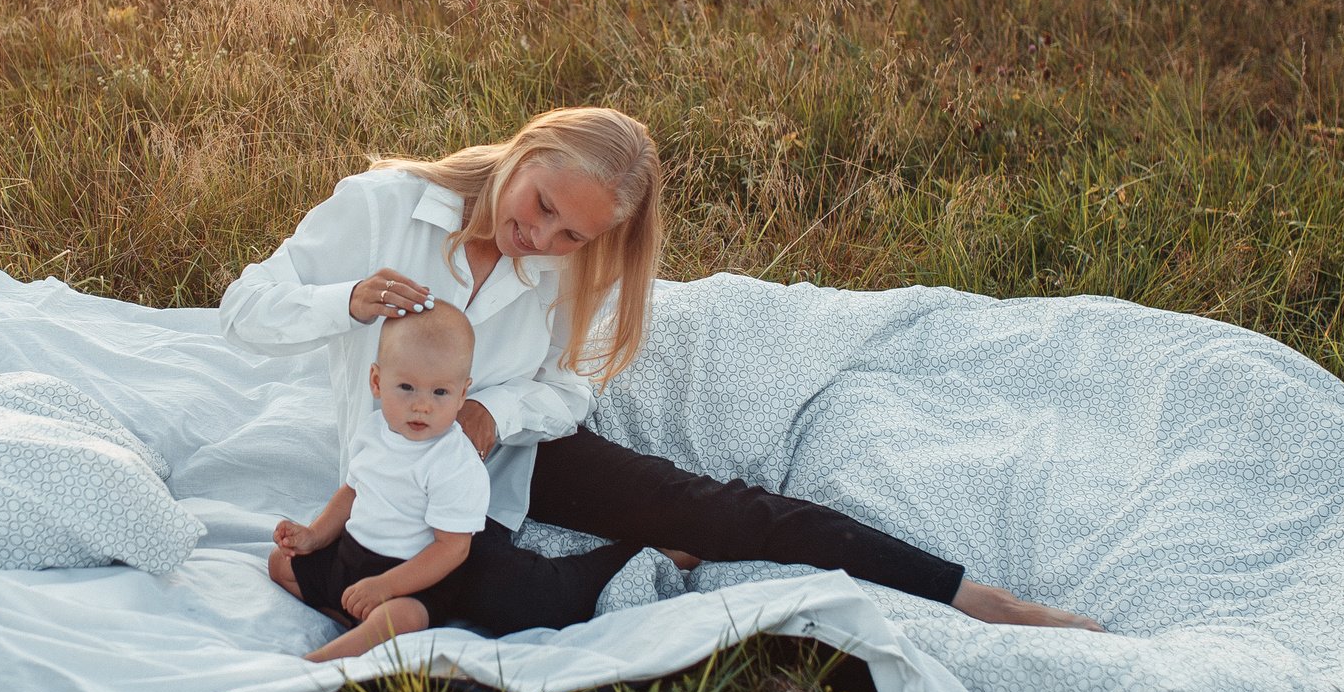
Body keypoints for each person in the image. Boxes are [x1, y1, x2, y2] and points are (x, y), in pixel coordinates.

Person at [220, 106, 1102, 631]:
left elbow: (570, 387)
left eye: (574, 234)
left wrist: (499, 418)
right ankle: (635, 558)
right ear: (525, 152)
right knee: (485, 599)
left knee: (719, 509)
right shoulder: (380, 208)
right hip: (402, 467)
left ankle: (974, 595)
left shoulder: (567, 267)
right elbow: (244, 308)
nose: (543, 238)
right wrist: (347, 303)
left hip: (514, 452)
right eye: (541, 207)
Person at [268, 303, 653, 662]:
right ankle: (349, 616)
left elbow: (451, 550)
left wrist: (386, 586)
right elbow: (352, 491)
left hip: (413, 578)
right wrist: (315, 536)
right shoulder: (373, 432)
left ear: (462, 394)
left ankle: (320, 662)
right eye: (406, 388)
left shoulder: (454, 462)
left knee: (401, 617)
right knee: (279, 564)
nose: (423, 405)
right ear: (376, 381)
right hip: (352, 557)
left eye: (440, 392)